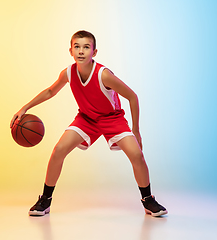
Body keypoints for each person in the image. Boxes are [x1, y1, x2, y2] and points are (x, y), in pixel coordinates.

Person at [10, 30, 167, 217]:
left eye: (86, 47)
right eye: (77, 47)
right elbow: (51, 91)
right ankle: (45, 200)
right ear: (70, 50)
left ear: (94, 52)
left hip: (112, 119)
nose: (81, 51)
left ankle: (148, 200)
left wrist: (136, 130)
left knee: (137, 155)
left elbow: (132, 97)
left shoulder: (104, 75)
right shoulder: (68, 72)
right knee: (59, 150)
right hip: (86, 118)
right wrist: (25, 108)